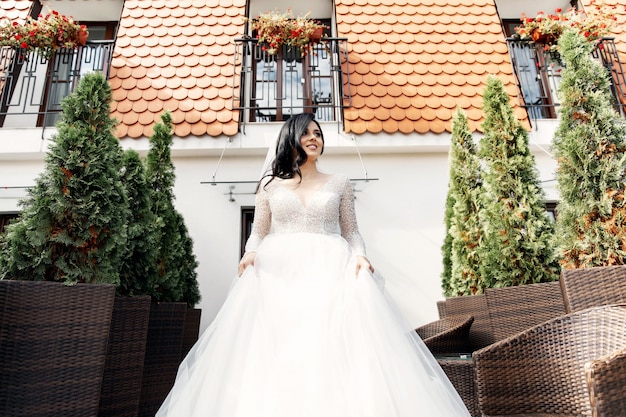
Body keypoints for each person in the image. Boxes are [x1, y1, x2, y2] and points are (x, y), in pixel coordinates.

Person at [156, 113, 471, 417]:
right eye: (306, 133)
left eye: (318, 134)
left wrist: (360, 255)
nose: (313, 138)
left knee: (328, 343)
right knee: (279, 346)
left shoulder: (340, 182)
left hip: (330, 268)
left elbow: (351, 230)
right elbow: (258, 231)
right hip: (280, 273)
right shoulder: (269, 186)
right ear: (291, 139)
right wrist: (249, 253)